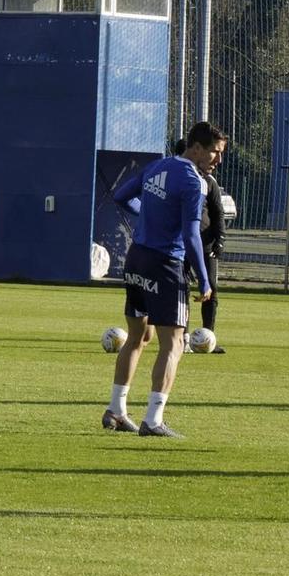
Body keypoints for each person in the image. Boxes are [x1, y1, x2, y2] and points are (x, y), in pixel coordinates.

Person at [106, 122, 225, 438]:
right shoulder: (193, 181)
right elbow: (190, 234)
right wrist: (204, 278)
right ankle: (153, 419)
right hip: (165, 264)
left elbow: (120, 196)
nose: (218, 159)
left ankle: (116, 410)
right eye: (215, 152)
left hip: (137, 257)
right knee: (173, 344)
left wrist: (149, 216)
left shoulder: (157, 166)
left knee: (137, 338)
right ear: (197, 148)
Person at [197, 161, 227, 352]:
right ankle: (181, 338)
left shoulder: (209, 182)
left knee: (210, 288)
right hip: (182, 245)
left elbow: (218, 213)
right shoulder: (180, 179)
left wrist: (220, 238)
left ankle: (208, 337)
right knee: (180, 288)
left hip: (206, 245)